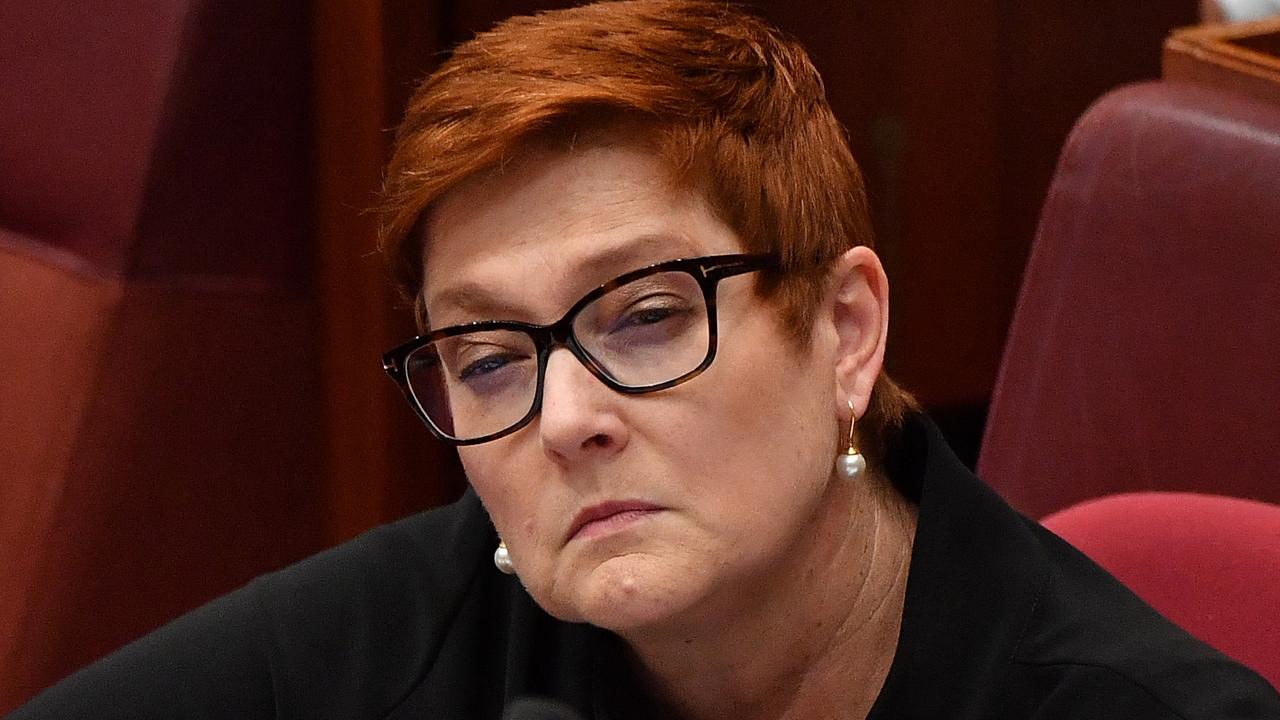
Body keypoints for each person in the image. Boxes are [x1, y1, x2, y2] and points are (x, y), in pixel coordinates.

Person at [10, 2, 1280, 719]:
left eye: (645, 316)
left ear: (843, 332)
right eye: (488, 356)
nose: (564, 418)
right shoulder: (438, 613)